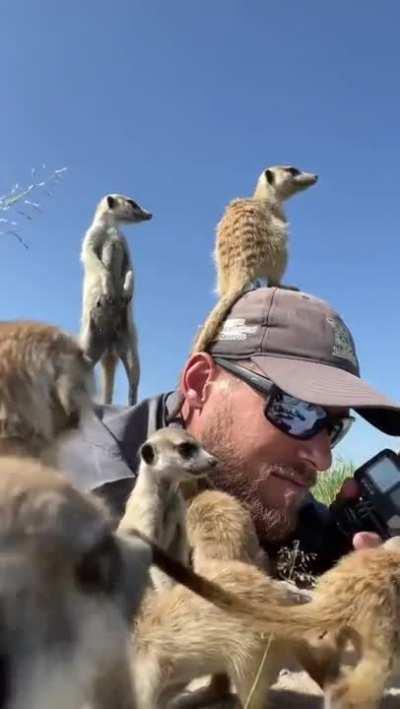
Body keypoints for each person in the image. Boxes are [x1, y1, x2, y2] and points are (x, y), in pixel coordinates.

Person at [57, 287, 400, 575]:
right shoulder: (83, 493)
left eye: (333, 427)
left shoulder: (255, 486)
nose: (323, 459)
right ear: (199, 383)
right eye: (298, 411)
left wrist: (344, 553)